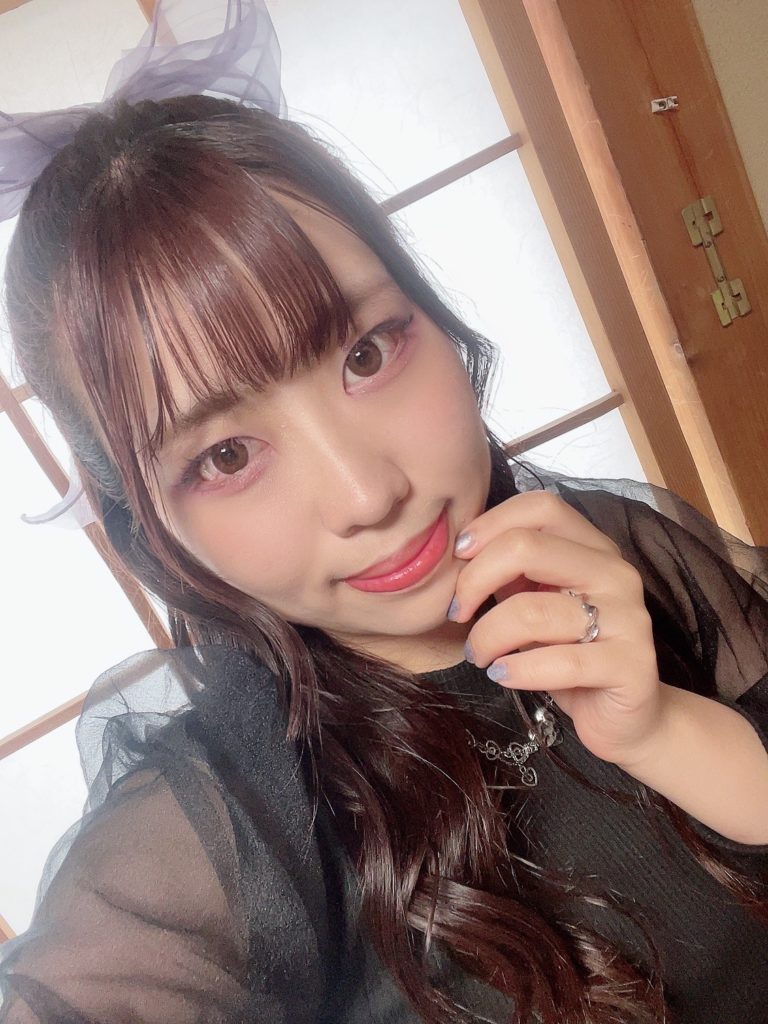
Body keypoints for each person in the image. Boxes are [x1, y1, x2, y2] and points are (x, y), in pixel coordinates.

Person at [1, 3, 767, 1022]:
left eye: (366, 353)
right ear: (147, 526)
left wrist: (667, 729)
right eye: (226, 455)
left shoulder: (619, 552)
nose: (370, 495)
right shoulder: (218, 840)